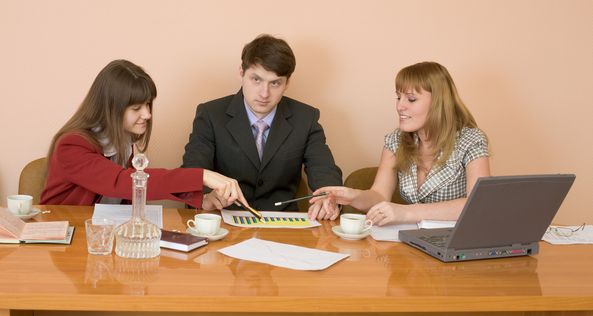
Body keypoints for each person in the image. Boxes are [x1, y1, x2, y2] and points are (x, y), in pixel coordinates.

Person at [40, 59, 246, 208]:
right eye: (136, 108)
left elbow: (136, 190)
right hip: (67, 239)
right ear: (111, 107)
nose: (147, 114)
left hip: (101, 233)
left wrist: (202, 200)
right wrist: (203, 175)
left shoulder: (122, 141)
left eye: (148, 105)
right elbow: (123, 182)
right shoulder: (72, 145)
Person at [182, 34, 342, 219]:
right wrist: (206, 198)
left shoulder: (305, 118)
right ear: (241, 73)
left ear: (287, 83)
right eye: (256, 80)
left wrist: (328, 197)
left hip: (283, 226)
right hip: (223, 221)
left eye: (275, 83)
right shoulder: (211, 114)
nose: (264, 93)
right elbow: (191, 172)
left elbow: (324, 169)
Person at [311, 61, 491, 225]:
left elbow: (478, 203)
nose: (399, 106)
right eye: (398, 97)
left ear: (439, 103)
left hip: (456, 242)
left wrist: (407, 212)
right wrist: (352, 195)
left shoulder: (471, 140)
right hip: (414, 244)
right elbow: (380, 195)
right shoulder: (395, 141)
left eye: (411, 99)